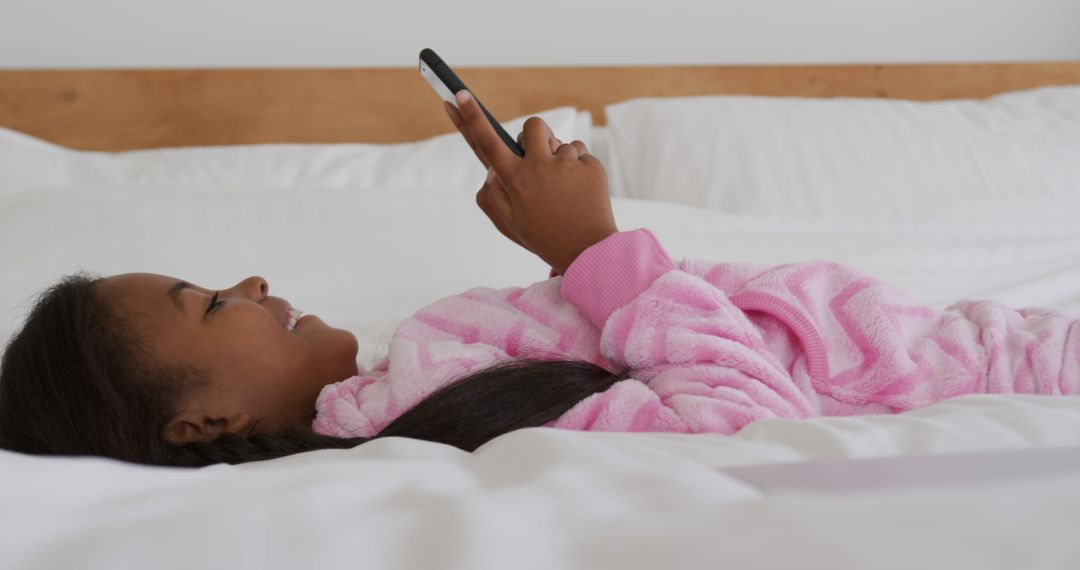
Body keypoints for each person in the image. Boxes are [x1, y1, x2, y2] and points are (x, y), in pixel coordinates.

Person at [2, 90, 1077, 468]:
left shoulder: (418, 367)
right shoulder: (432, 432)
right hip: (998, 378)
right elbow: (747, 432)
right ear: (201, 421)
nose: (249, 280)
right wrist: (590, 252)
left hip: (983, 336)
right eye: (210, 303)